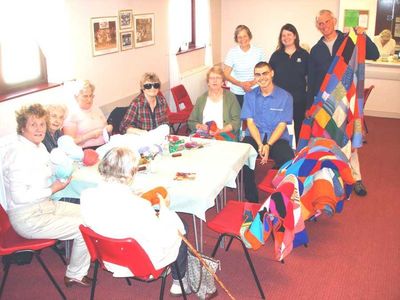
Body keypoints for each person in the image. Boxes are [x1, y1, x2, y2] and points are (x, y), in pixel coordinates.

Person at [2, 103, 91, 288]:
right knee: (85, 228)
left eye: (42, 124)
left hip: (45, 206)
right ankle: (74, 274)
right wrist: (53, 189)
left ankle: (81, 266)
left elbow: (48, 167)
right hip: (28, 217)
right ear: (23, 127)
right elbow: (20, 197)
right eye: (33, 124)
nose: (39, 129)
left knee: (90, 213)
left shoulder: (38, 146)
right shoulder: (17, 154)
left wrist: (64, 171)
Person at [80, 147, 189, 296]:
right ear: (131, 173)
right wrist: (165, 209)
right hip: (140, 263)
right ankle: (179, 281)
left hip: (107, 257)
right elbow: (162, 238)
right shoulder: (139, 206)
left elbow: (110, 215)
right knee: (181, 227)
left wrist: (133, 196)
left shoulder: (87, 196)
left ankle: (179, 280)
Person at [307, 9, 379, 196]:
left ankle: (356, 178)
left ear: (334, 21)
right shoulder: (316, 50)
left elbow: (374, 53)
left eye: (326, 21)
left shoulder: (349, 40)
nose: (324, 26)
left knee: (348, 136)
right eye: (320, 23)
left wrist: (362, 34)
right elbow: (313, 79)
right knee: (327, 139)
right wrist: (311, 105)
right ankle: (332, 176)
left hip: (347, 97)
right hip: (326, 101)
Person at [241, 62, 294, 203]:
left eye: (265, 73)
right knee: (244, 156)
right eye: (257, 74)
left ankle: (281, 198)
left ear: (272, 73)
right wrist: (259, 144)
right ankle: (251, 199)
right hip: (255, 136)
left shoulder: (286, 97)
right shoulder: (249, 96)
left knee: (288, 159)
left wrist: (268, 145)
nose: (261, 77)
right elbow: (250, 123)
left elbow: (282, 125)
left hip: (276, 137)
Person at [269, 23, 309, 143]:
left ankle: (298, 152)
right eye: (283, 35)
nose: (286, 38)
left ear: (295, 36)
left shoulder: (304, 55)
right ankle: (278, 148)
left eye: (289, 34)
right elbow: (268, 75)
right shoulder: (276, 56)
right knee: (279, 127)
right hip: (279, 100)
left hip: (298, 100)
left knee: (298, 128)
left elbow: (310, 78)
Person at [188, 66, 241, 140]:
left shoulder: (231, 97)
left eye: (218, 78)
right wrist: (200, 126)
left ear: (223, 82)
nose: (214, 81)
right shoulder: (201, 99)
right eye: (212, 78)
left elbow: (237, 121)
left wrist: (221, 130)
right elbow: (191, 121)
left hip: (224, 134)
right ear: (208, 82)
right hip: (204, 135)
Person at [224, 25, 266, 107]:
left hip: (255, 90)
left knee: (254, 118)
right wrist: (241, 84)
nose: (242, 39)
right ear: (236, 39)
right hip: (237, 92)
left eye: (245, 36)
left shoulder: (258, 51)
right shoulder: (232, 52)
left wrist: (251, 84)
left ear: (249, 36)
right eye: (239, 37)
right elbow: (226, 74)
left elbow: (263, 72)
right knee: (238, 118)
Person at [63, 80, 112, 150]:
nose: (89, 100)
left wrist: (109, 128)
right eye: (85, 96)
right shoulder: (71, 114)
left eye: (91, 96)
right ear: (76, 97)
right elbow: (69, 143)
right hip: (86, 150)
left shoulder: (96, 109)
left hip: (104, 145)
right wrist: (89, 136)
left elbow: (105, 126)